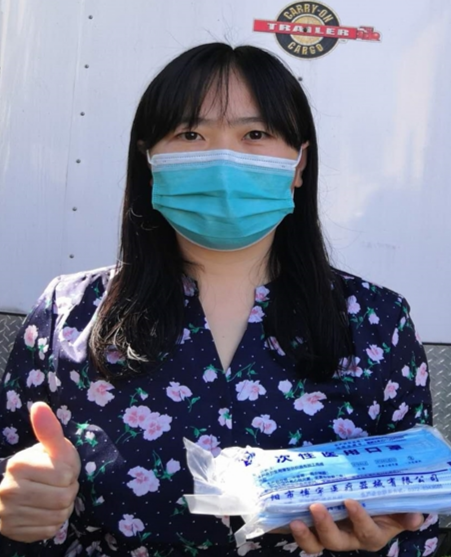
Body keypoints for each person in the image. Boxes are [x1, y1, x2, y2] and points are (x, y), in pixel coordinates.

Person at [0, 43, 439, 557]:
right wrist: (21, 512)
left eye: (255, 134)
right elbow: (16, 489)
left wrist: (377, 538)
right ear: (150, 162)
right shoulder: (68, 314)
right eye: (191, 134)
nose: (224, 160)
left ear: (299, 163)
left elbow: (418, 512)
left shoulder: (377, 321)